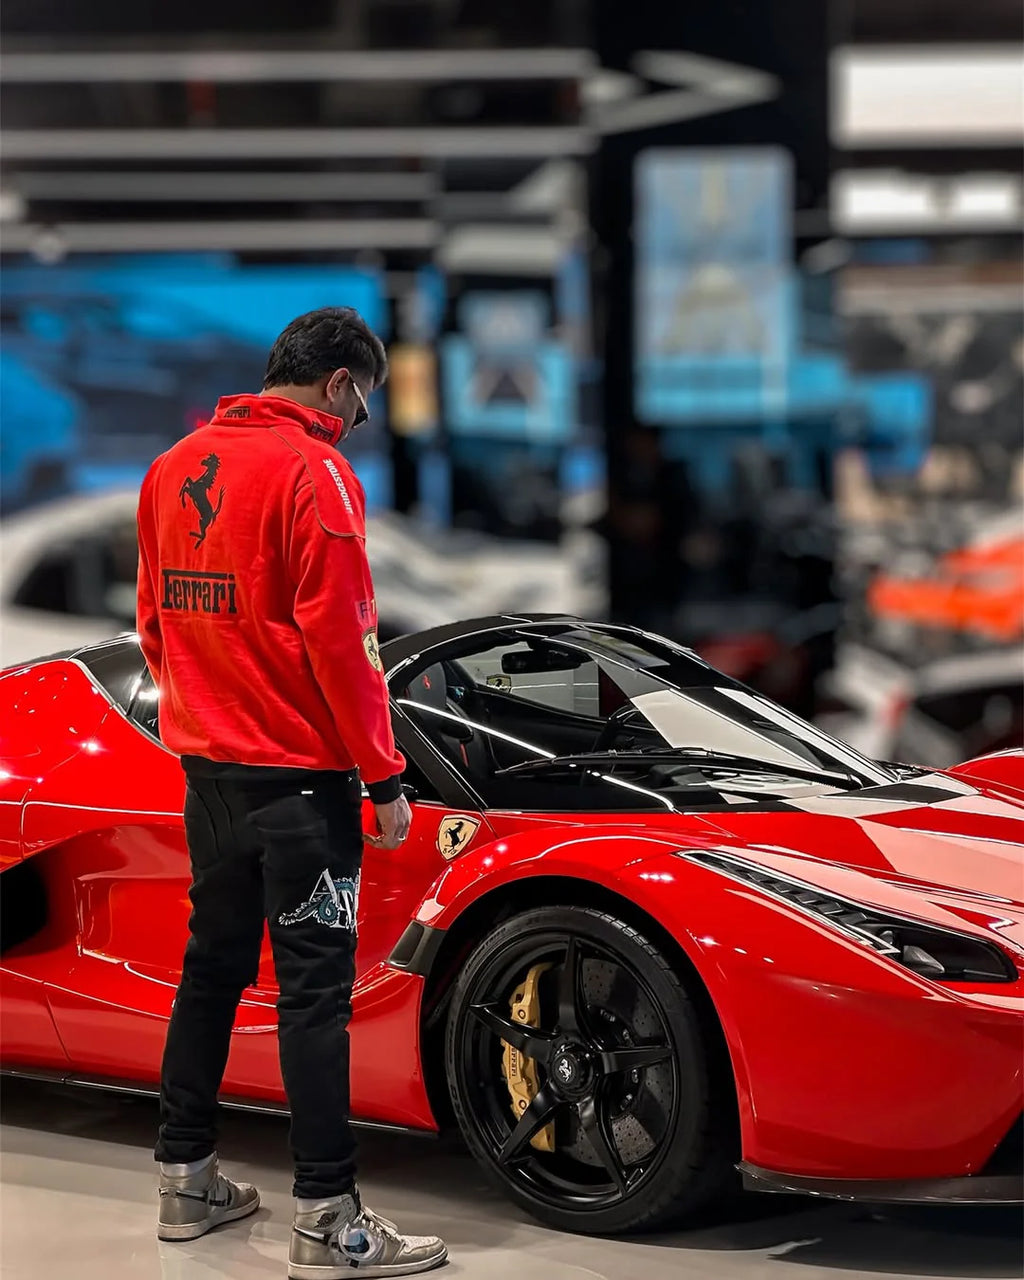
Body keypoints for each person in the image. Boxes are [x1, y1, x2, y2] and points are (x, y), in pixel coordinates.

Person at [136, 307, 448, 1279]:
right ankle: (329, 1216)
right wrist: (384, 773)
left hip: (209, 775)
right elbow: (347, 643)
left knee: (212, 967)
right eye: (359, 406)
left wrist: (208, 712)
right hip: (301, 786)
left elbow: (153, 624)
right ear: (345, 385)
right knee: (315, 994)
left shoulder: (169, 467)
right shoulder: (316, 473)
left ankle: (187, 1179)